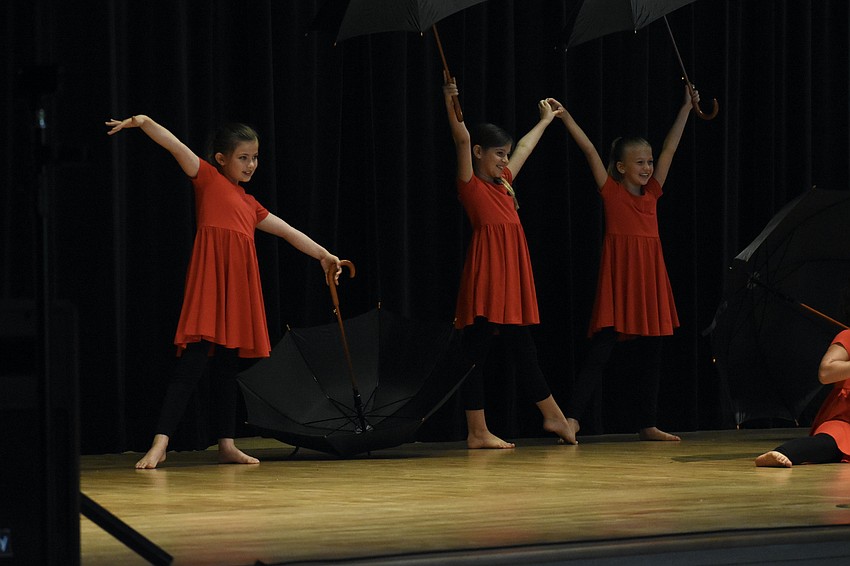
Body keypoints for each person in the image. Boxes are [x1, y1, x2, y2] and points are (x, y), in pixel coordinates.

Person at [105, 115, 341, 469]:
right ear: (221, 159)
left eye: (255, 157)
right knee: (194, 363)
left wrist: (324, 255)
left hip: (237, 291)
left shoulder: (250, 204)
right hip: (211, 284)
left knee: (228, 368)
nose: (251, 164)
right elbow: (174, 145)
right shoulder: (208, 179)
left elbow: (289, 231)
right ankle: (160, 442)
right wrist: (143, 122)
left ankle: (226, 444)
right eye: (243, 157)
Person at [554, 87, 700, 445]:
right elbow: (589, 149)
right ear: (620, 167)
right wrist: (566, 117)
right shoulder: (611, 192)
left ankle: (647, 423)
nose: (648, 167)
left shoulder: (653, 195)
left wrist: (685, 108)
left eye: (649, 162)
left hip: (649, 276)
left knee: (653, 350)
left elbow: (670, 149)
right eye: (640, 163)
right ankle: (571, 419)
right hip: (621, 277)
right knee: (603, 347)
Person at [442, 75, 574, 449]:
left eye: (506, 154)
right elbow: (462, 138)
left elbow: (527, 148)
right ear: (481, 152)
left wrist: (546, 121)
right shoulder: (471, 184)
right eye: (499, 154)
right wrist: (450, 100)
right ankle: (538, 418)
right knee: (487, 351)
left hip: (510, 273)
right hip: (489, 275)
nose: (504, 160)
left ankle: (517, 422)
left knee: (503, 348)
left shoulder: (505, 183)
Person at [755, 290, 850, 467]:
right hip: (845, 418)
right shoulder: (847, 336)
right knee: (831, 442)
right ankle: (781, 452)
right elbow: (826, 372)